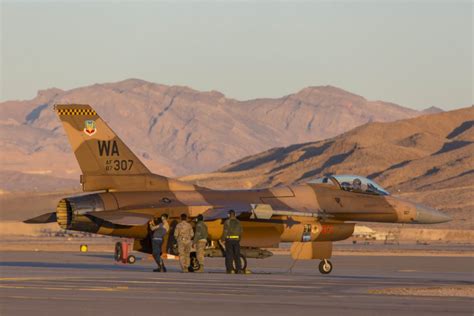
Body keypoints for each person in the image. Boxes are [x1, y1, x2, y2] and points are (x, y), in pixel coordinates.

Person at [221, 209, 243, 274]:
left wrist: (222, 239)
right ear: (234, 215)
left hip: (229, 240)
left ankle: (229, 270)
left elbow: (225, 231)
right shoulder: (238, 222)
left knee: (229, 255)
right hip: (236, 241)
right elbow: (241, 232)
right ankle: (239, 269)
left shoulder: (227, 222)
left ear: (229, 215)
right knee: (237, 255)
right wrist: (239, 239)